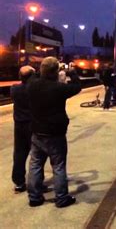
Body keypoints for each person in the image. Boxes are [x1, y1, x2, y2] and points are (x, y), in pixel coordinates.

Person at [26, 56, 81, 208]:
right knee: (58, 166)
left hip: (37, 133)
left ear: (41, 70)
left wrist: (42, 69)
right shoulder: (59, 88)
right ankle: (62, 198)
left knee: (35, 165)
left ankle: (35, 197)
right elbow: (77, 87)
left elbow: (33, 76)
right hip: (55, 134)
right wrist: (71, 72)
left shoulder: (31, 85)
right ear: (56, 71)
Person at [10, 66, 35, 193]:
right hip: (32, 124)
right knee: (36, 155)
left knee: (19, 153)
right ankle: (36, 182)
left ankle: (19, 182)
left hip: (19, 125)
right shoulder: (35, 89)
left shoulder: (14, 89)